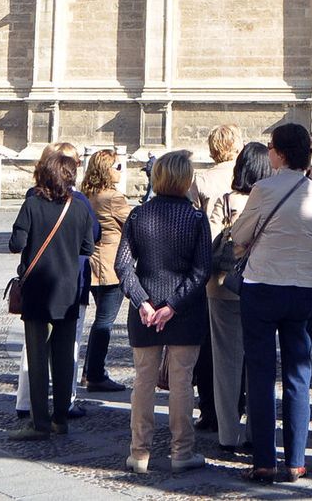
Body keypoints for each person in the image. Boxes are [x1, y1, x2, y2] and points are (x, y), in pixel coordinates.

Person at [232, 123, 312, 484]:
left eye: (271, 147)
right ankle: (297, 460)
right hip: (303, 286)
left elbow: (240, 233)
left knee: (259, 373)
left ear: (281, 153)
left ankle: (264, 461)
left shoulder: (263, 188)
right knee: (298, 374)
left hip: (262, 285)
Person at [116, 150, 213, 474]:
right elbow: (201, 271)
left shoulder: (138, 215)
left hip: (145, 309)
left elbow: (124, 266)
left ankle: (139, 452)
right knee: (182, 382)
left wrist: (142, 301)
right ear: (186, 179)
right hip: (184, 309)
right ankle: (181, 451)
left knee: (143, 381)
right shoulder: (197, 218)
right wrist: (173, 305)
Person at [7, 148, 96, 440]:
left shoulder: (31, 205)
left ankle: (39, 423)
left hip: (37, 292)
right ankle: (61, 419)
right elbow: (87, 248)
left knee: (37, 358)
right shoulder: (80, 208)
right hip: (68, 291)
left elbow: (16, 243)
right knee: (62, 358)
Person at [207, 140, 270, 458]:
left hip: (222, 287)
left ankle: (227, 434)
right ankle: (255, 432)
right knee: (257, 363)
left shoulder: (226, 199)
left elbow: (211, 240)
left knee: (225, 364)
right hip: (259, 286)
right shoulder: (271, 201)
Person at [189, 124, 242, 434]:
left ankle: (209, 408)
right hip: (243, 267)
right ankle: (238, 403)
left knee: (209, 344)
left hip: (212, 268)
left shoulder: (203, 179)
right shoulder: (250, 175)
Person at [82, 149, 133, 394]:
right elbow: (134, 223)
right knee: (105, 322)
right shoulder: (113, 198)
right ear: (106, 170)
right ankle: (95, 373)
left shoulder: (88, 194)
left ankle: (89, 371)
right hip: (111, 266)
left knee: (100, 319)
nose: (120, 171)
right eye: (117, 167)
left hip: (92, 263)